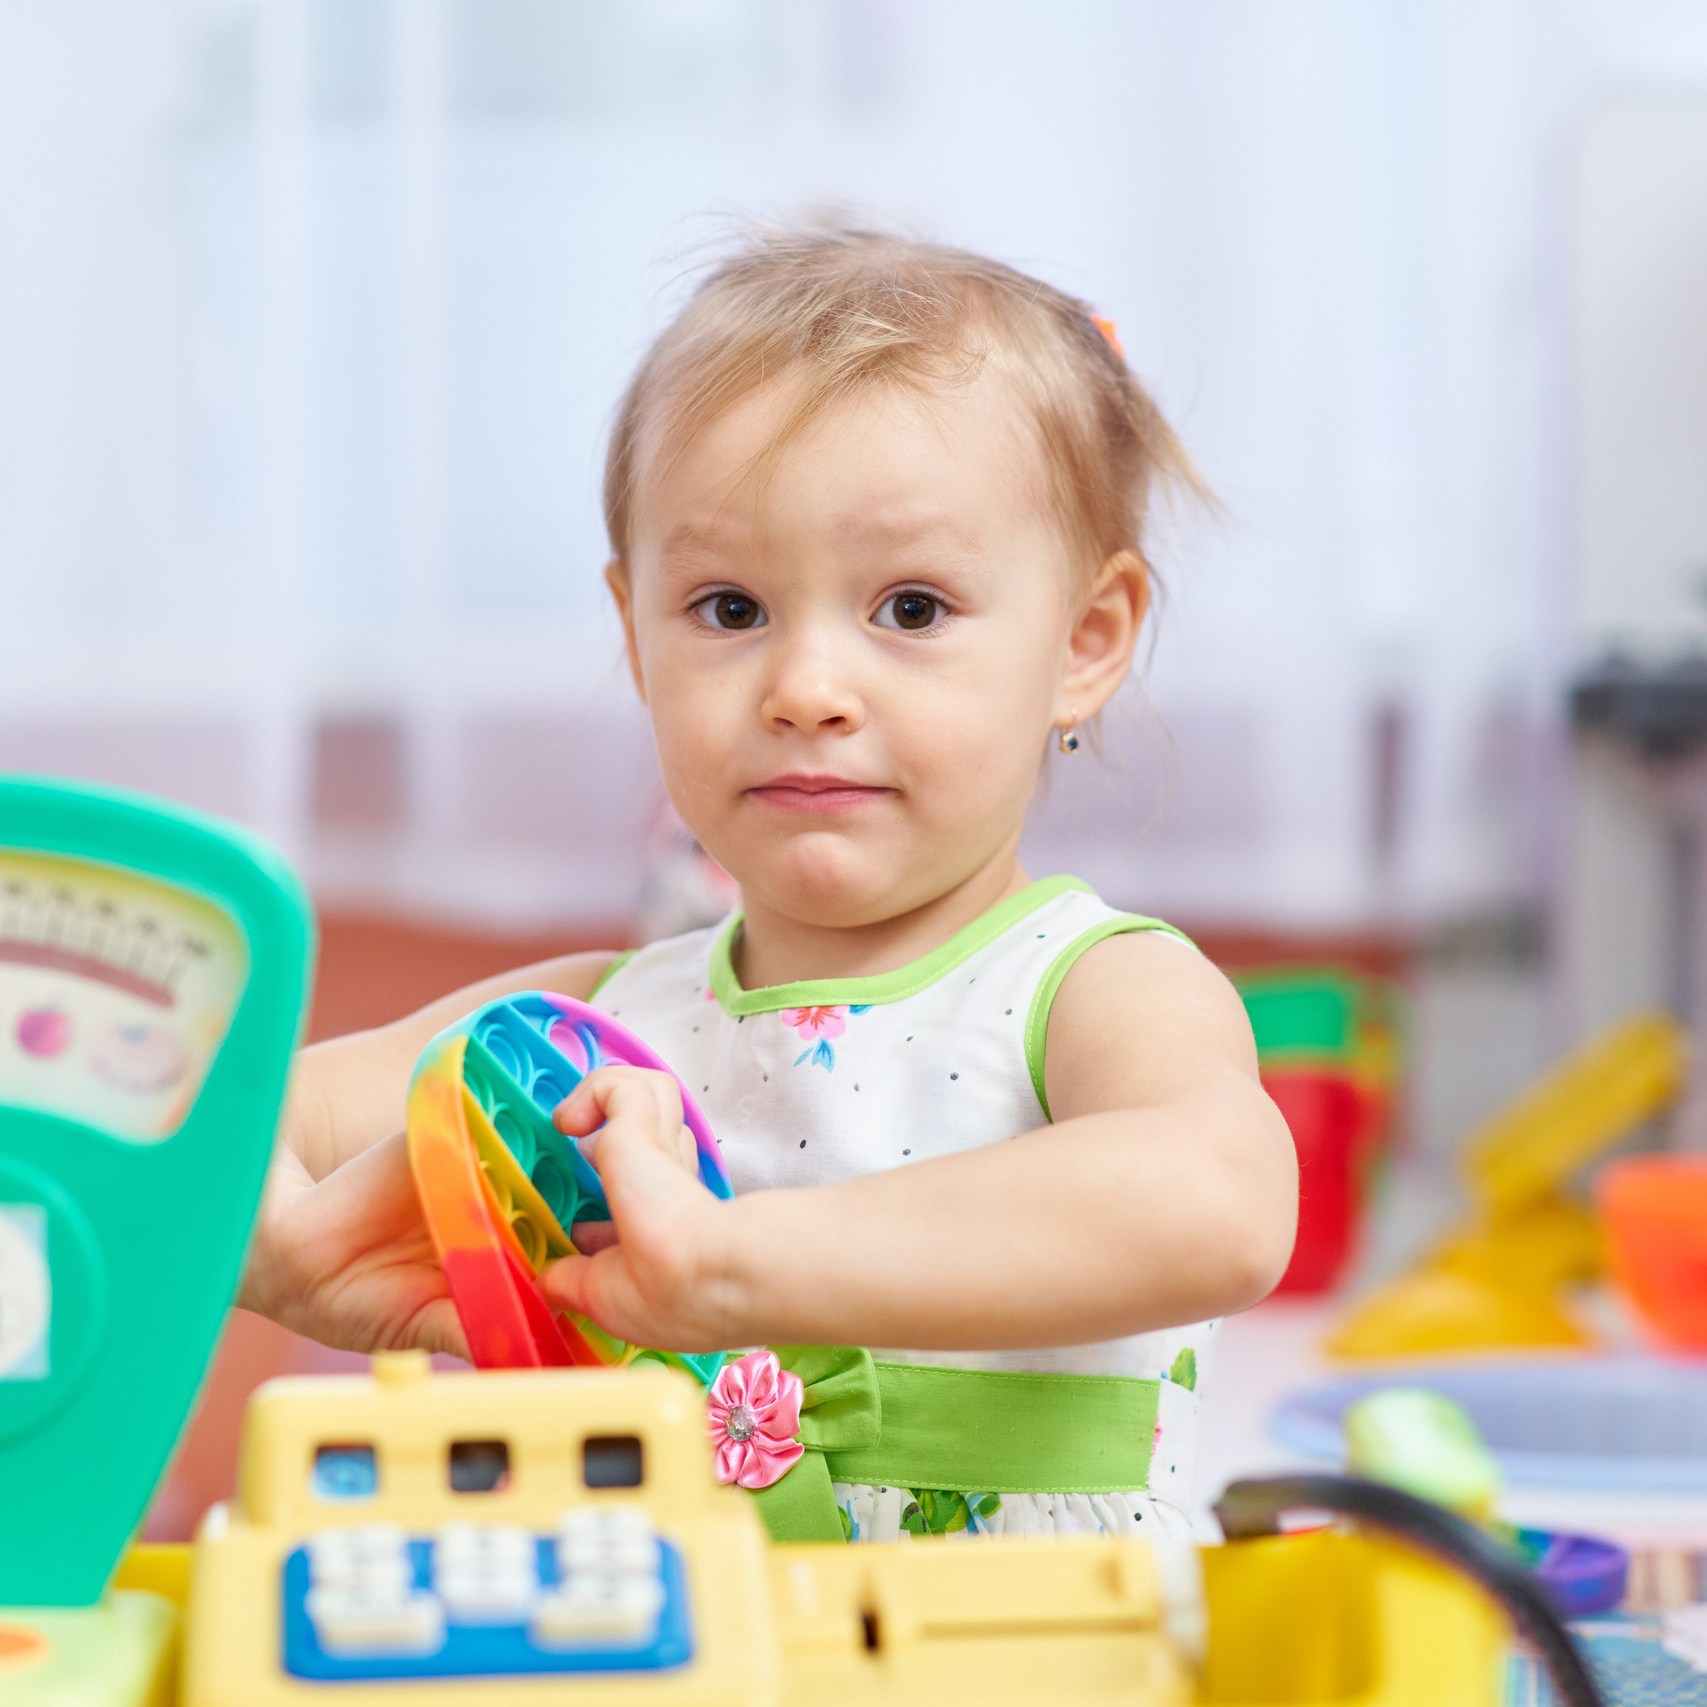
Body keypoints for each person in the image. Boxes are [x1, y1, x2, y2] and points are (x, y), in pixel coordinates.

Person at [241, 224, 1297, 1543]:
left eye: (910, 608)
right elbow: (206, 1135)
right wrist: (274, 1249)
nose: (804, 691)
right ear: (637, 635)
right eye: (730, 610)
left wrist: (731, 1268)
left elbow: (1217, 1202)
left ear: (1085, 642)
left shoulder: (1089, 990)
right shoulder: (589, 1030)